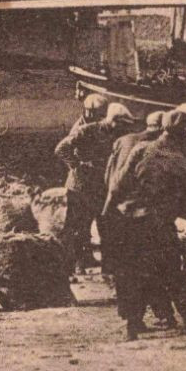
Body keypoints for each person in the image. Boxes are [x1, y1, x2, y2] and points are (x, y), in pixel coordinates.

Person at [105, 106, 186, 339]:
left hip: (130, 220)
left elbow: (118, 185)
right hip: (158, 223)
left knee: (134, 272)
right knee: (172, 272)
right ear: (183, 134)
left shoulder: (140, 149)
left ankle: (133, 325)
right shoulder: (178, 159)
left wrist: (109, 213)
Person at [55, 93, 117, 272]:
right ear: (88, 111)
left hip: (96, 182)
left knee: (102, 220)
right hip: (81, 183)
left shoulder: (97, 127)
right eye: (96, 113)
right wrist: (76, 166)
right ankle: (79, 262)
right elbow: (61, 149)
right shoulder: (80, 128)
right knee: (80, 224)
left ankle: (92, 259)